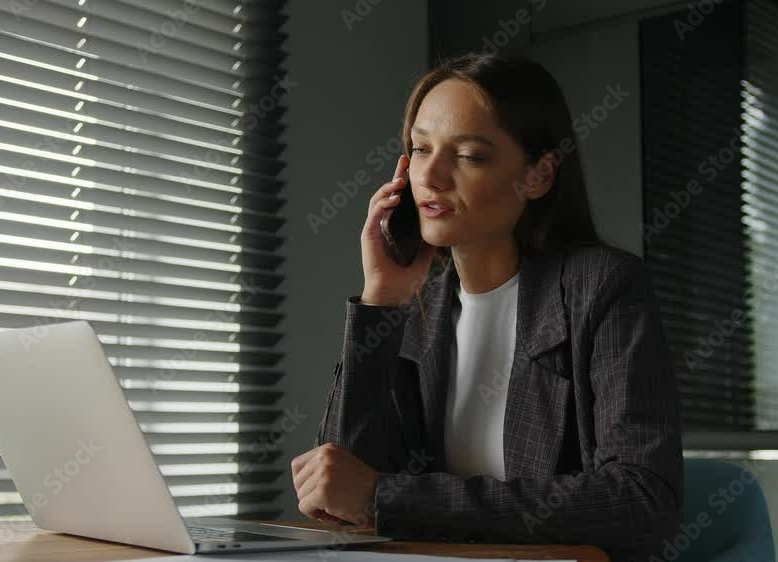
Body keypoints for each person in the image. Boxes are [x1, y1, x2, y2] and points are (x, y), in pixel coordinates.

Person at [290, 53, 683, 562]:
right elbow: (342, 490)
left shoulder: (602, 286)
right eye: (420, 149)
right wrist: (380, 300)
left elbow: (643, 503)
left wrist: (390, 497)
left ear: (539, 175)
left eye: (469, 155)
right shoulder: (420, 304)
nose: (431, 176)